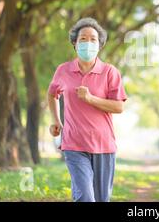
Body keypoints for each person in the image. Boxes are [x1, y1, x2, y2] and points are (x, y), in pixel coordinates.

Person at [47, 17, 127, 202]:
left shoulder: (109, 72)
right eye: (83, 39)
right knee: (85, 198)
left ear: (100, 45)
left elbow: (119, 106)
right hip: (74, 144)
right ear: (75, 43)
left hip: (103, 145)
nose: (88, 43)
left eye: (93, 39)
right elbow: (52, 94)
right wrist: (56, 120)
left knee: (101, 199)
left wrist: (91, 98)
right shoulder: (63, 70)